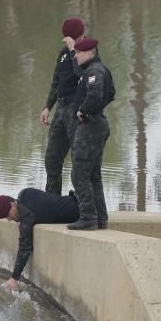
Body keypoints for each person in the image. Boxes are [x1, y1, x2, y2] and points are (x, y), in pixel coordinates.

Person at [67, 36, 115, 231]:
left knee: (79, 174)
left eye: (78, 53)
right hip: (97, 125)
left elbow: (95, 95)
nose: (76, 56)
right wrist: (71, 49)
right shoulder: (95, 69)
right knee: (93, 174)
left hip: (91, 127)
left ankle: (88, 217)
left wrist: (83, 111)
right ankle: (100, 218)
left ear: (89, 53)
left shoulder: (95, 71)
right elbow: (111, 93)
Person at [0, 187, 80, 291]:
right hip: (76, 200)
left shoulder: (27, 214)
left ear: (13, 205)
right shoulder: (25, 192)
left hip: (78, 213)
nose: (10, 220)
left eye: (8, 216)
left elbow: (25, 247)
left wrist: (14, 278)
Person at [40, 17, 86, 194]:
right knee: (52, 158)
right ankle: (52, 200)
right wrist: (47, 107)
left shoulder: (88, 52)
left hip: (77, 110)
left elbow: (83, 74)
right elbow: (56, 81)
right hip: (61, 108)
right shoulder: (63, 54)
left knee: (79, 161)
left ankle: (83, 208)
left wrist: (74, 50)